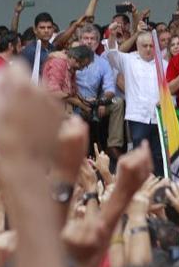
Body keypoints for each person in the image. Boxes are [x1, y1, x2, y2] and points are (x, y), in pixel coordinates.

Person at [106, 30, 164, 175]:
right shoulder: (128, 60)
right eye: (144, 46)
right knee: (139, 151)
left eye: (151, 46)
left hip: (159, 116)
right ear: (137, 46)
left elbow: (170, 89)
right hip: (138, 116)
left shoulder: (164, 64)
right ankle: (139, 182)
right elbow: (112, 54)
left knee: (158, 154)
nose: (148, 49)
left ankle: (158, 182)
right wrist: (112, 36)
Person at [75, 25, 120, 150]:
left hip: (95, 102)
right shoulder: (72, 58)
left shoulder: (103, 63)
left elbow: (110, 89)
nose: (89, 42)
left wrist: (102, 101)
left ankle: (114, 145)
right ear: (80, 41)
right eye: (86, 38)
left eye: (93, 39)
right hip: (74, 102)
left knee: (118, 102)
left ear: (98, 42)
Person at [42, 45, 95, 112]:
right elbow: (54, 92)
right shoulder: (58, 63)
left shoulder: (72, 68)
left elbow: (72, 92)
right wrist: (79, 103)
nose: (82, 68)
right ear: (76, 59)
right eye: (83, 65)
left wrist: (84, 101)